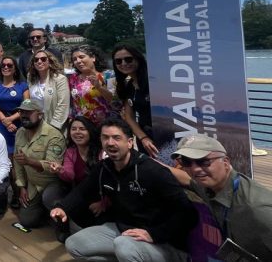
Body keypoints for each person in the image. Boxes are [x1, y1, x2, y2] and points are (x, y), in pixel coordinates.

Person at [51, 118, 197, 262]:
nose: (110, 142)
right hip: (123, 230)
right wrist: (63, 208)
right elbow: (82, 191)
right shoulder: (104, 167)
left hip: (162, 241)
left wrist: (154, 234)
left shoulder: (152, 170)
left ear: (129, 143)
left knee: (124, 246)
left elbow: (188, 213)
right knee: (74, 245)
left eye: (116, 138)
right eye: (105, 138)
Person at [171, 134, 272, 260]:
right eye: (186, 162)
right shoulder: (207, 186)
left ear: (225, 162)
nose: (195, 169)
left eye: (204, 161)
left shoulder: (257, 209)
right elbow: (185, 178)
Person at [46, 116, 106, 241]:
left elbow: (110, 181)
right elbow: (69, 176)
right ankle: (63, 226)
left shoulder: (102, 151)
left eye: (82, 129)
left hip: (101, 198)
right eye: (73, 129)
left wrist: (103, 202)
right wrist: (60, 169)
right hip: (80, 196)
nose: (77, 132)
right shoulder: (71, 152)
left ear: (90, 131)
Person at [12, 99, 65, 228]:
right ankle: (42, 210)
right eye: (21, 112)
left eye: (29, 112)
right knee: (27, 221)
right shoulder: (20, 132)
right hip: (32, 184)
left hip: (51, 183)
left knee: (49, 198)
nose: (24, 115)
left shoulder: (54, 135)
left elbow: (52, 166)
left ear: (40, 114)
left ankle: (62, 224)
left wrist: (29, 161)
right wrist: (22, 186)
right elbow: (17, 162)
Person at [0, 55, 29, 208]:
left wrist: (11, 119)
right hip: (2, 128)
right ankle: (7, 192)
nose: (6, 67)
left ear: (14, 69)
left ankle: (19, 194)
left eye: (9, 65)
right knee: (5, 161)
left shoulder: (22, 86)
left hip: (20, 126)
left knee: (19, 161)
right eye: (3, 65)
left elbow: (26, 105)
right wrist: (5, 122)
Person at [111, 45, 157, 158]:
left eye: (128, 59)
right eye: (118, 61)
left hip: (164, 133)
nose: (123, 63)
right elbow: (129, 116)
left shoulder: (154, 81)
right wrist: (143, 138)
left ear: (138, 59)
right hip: (145, 136)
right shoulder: (128, 85)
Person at [68, 45, 116, 128]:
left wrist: (100, 88)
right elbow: (73, 104)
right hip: (83, 127)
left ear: (93, 58)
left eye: (81, 57)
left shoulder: (109, 75)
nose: (78, 61)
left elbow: (115, 102)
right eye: (74, 59)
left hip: (106, 126)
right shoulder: (73, 78)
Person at [27, 50, 70, 131]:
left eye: (43, 59)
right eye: (36, 60)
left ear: (50, 62)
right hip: (36, 125)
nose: (39, 61)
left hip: (54, 126)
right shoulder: (31, 79)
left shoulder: (60, 79)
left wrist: (54, 126)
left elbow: (63, 104)